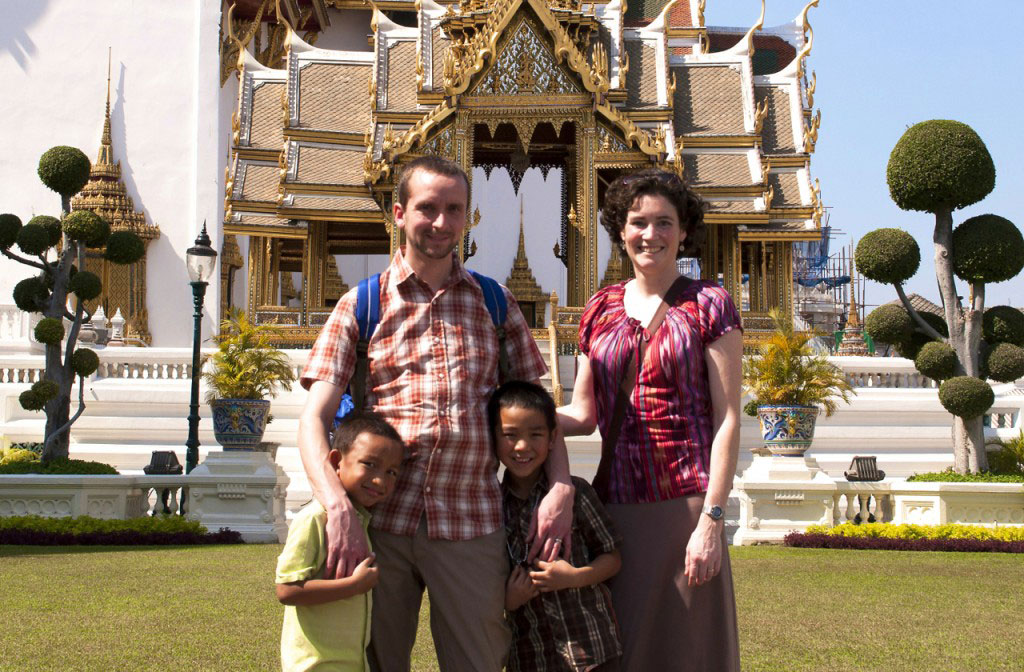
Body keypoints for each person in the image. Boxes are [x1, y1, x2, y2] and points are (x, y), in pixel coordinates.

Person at [297, 154, 575, 672]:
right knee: (374, 661)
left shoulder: (494, 303)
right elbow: (314, 417)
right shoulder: (362, 304)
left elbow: (539, 413)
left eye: (455, 209)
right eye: (428, 208)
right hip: (381, 522)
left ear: (467, 217)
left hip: (470, 519)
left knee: (479, 661)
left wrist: (560, 486)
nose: (441, 222)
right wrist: (337, 509)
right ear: (399, 213)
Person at [558, 169, 743, 671]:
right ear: (620, 230)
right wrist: (504, 417)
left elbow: (727, 419)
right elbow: (583, 413)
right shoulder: (599, 309)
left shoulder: (709, 305)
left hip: (686, 505)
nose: (651, 234)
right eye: (638, 222)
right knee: (623, 650)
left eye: (665, 222)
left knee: (686, 650)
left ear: (683, 231)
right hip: (616, 507)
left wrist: (712, 520)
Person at [490, 380, 622, 672]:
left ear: (552, 438)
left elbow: (612, 558)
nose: (522, 446)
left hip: (593, 649)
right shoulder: (491, 508)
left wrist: (575, 577)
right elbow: (484, 579)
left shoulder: (576, 493)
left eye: (535, 434)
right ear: (493, 439)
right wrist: (507, 600)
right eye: (510, 435)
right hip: (531, 655)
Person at [276, 412, 404, 672]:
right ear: (336, 461)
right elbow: (287, 590)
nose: (381, 480)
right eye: (369, 464)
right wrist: (353, 586)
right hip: (316, 665)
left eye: (391, 472)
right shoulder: (314, 518)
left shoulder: (363, 521)